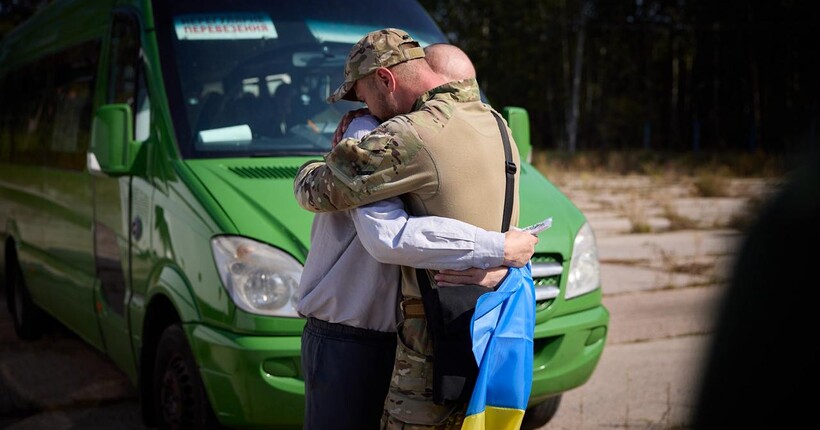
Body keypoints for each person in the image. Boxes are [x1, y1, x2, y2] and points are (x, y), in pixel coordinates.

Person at [296, 40, 536, 430]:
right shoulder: (497, 125)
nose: (365, 107)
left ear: (386, 79)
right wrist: (504, 255)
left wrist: (327, 157)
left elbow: (371, 225)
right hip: (481, 324)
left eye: (363, 96)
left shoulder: (406, 134)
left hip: (396, 334)